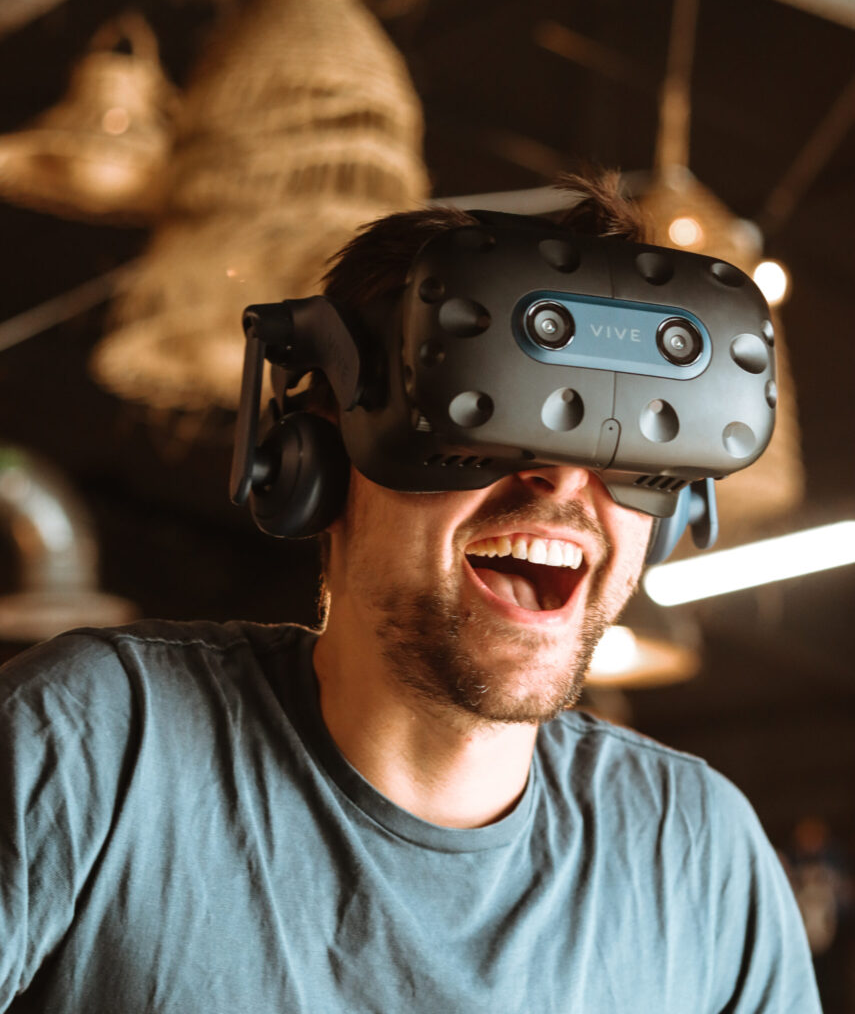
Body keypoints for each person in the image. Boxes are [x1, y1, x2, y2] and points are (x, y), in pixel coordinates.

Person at [0, 172, 821, 1013]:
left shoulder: (696, 852)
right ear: (316, 461)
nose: (564, 482)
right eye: (485, 421)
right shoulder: (96, 744)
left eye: (628, 452)